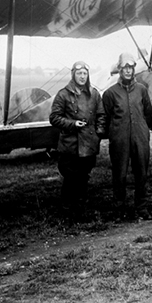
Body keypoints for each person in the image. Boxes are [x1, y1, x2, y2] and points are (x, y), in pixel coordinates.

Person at [102, 52, 152, 219]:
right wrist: (116, 133)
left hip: (140, 137)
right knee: (119, 174)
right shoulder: (110, 93)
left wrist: (144, 129)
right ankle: (119, 208)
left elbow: (148, 113)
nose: (128, 70)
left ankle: (142, 207)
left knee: (142, 173)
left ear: (134, 69)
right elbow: (106, 117)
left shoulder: (142, 90)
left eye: (130, 67)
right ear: (119, 69)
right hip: (119, 139)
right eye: (124, 67)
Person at [49, 61, 106, 216]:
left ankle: (81, 208)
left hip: (88, 144)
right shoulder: (63, 94)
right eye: (79, 73)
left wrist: (98, 133)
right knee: (70, 178)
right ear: (73, 75)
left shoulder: (94, 94)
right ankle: (67, 209)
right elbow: (54, 117)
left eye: (85, 74)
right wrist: (73, 124)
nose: (82, 77)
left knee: (84, 177)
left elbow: (101, 115)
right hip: (70, 145)